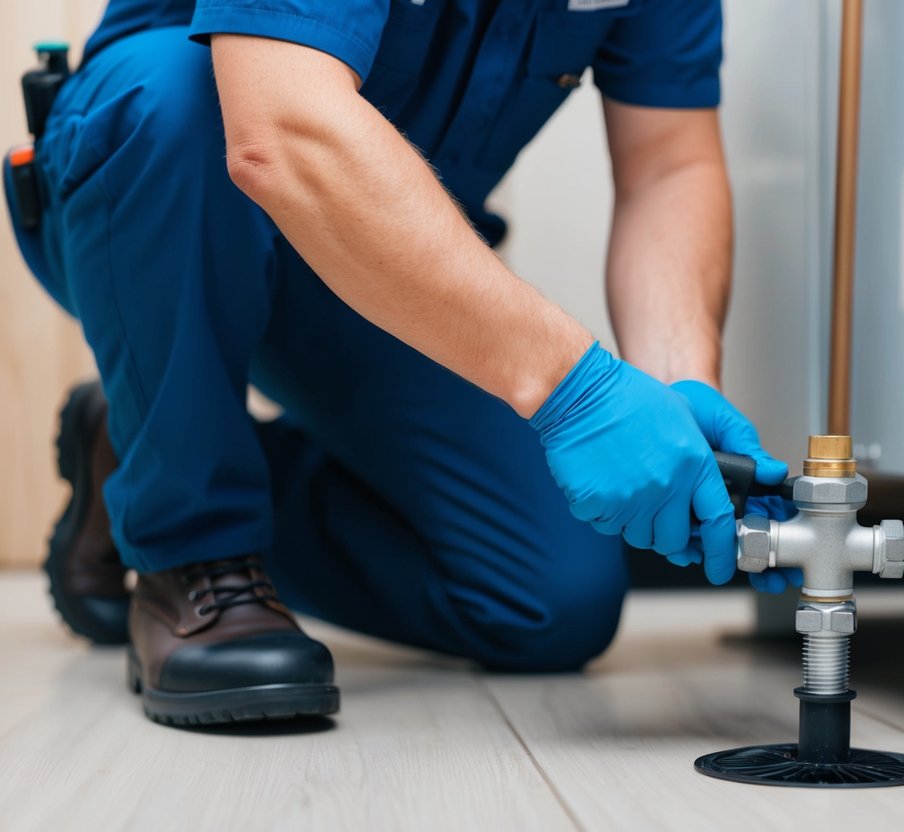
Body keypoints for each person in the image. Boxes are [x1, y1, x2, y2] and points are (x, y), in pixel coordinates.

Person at [3, 0, 790, 727]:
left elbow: (667, 165)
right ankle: (189, 548)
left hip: (373, 264)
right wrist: (576, 391)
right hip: (165, 205)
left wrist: (683, 400)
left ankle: (140, 455)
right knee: (179, 90)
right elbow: (278, 131)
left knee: (551, 601)